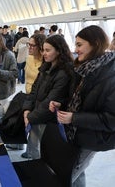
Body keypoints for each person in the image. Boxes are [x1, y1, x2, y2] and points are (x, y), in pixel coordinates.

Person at [49, 25, 115, 187]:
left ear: (95, 44)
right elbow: (78, 99)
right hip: (76, 132)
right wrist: (61, 104)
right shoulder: (83, 67)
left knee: (66, 175)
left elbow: (111, 119)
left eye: (79, 45)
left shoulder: (110, 75)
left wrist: (74, 118)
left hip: (92, 137)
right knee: (77, 172)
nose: (75, 49)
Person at [20, 35, 75, 160]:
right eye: (43, 50)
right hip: (36, 114)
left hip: (48, 119)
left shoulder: (64, 73)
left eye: (48, 50)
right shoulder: (46, 67)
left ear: (59, 50)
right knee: (34, 148)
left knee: (46, 153)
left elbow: (51, 100)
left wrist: (30, 117)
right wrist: (27, 109)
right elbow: (33, 91)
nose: (44, 53)